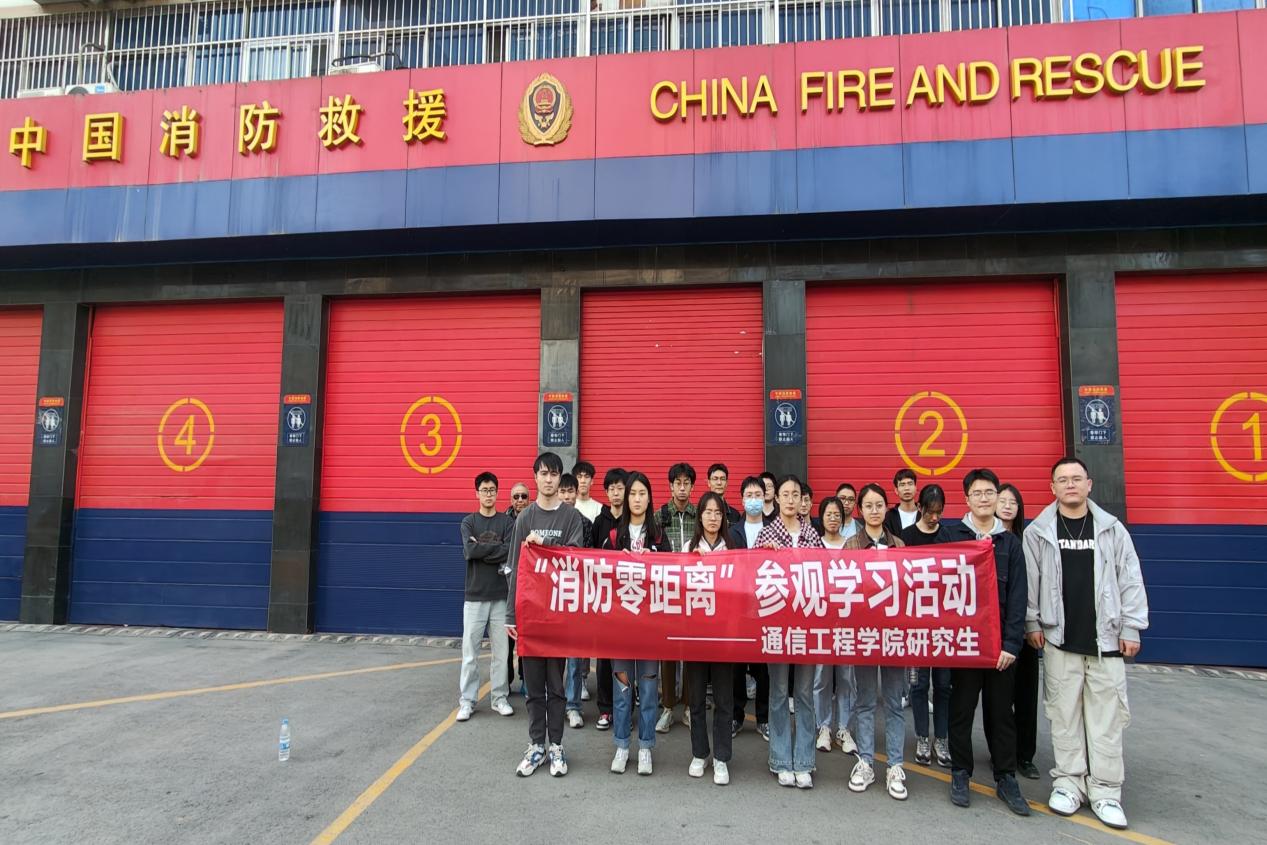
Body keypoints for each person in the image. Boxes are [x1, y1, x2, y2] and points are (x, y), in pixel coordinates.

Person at [1024, 457, 1149, 831]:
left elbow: (1130, 578)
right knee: (1064, 716)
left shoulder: (1111, 529)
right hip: (1060, 639)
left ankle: (1106, 791)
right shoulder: (1039, 531)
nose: (1070, 485)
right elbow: (1032, 580)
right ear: (1052, 488)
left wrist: (1131, 627)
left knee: (1106, 719)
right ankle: (1068, 783)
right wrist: (1032, 621)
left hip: (1105, 640)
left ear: (1089, 484)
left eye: (1076, 478)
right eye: (1062, 480)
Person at [937, 468, 1030, 816]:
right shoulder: (951, 536)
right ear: (967, 498)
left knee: (1001, 713)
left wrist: (1011, 644)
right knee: (961, 711)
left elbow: (1018, 597)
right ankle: (960, 773)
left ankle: (1006, 777)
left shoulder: (1010, 543)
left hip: (999, 648)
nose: (984, 498)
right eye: (977, 493)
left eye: (990, 492)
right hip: (963, 644)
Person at [504, 452, 586, 778]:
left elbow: (576, 559)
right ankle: (536, 745)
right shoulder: (524, 518)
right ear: (535, 477)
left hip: (558, 617)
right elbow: (514, 568)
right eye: (543, 474)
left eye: (554, 474)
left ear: (559, 478)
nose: (548, 479)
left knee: (557, 687)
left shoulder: (570, 517)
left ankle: (557, 746)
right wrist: (511, 615)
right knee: (534, 688)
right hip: (530, 616)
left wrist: (546, 546)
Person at [755, 474, 823, 789]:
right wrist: (763, 554)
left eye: (797, 494)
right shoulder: (766, 534)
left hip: (808, 626)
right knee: (780, 692)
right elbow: (752, 579)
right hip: (777, 627)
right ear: (777, 499)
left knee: (805, 694)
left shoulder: (813, 536)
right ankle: (781, 759)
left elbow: (824, 578)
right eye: (786, 494)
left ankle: (805, 761)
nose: (792, 499)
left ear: (803, 500)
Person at [601, 470, 672, 775]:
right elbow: (599, 573)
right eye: (633, 493)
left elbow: (672, 576)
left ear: (649, 498)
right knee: (622, 690)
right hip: (620, 627)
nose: (637, 499)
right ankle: (621, 745)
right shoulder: (614, 536)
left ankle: (645, 747)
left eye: (643, 493)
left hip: (649, 628)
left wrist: (653, 559)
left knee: (648, 689)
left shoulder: (659, 536)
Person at [842, 484, 910, 800]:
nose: (874, 510)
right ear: (860, 509)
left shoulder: (900, 545)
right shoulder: (851, 546)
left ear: (886, 508)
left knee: (894, 703)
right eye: (868, 505)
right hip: (864, 635)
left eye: (879, 505)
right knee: (866, 701)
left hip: (894, 635)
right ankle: (866, 762)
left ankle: (895, 766)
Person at [685, 492, 736, 785]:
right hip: (695, 635)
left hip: (725, 636)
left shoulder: (733, 549)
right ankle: (699, 753)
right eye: (708, 512)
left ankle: (721, 758)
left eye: (718, 513)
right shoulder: (689, 548)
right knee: (695, 699)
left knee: (724, 699)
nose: (713, 517)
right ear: (700, 516)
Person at [899, 484, 952, 768]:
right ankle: (922, 736)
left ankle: (941, 738)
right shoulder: (906, 538)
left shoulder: (949, 537)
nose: (934, 518)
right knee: (918, 685)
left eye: (939, 512)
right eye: (930, 512)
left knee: (943, 685)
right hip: (915, 623)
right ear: (919, 508)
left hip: (944, 623)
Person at [457, 472, 515, 722]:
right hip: (474, 597)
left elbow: (509, 551)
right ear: (477, 493)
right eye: (484, 490)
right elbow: (469, 551)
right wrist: (495, 549)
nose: (488, 494)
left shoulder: (507, 522)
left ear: (497, 492)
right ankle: (467, 701)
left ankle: (499, 698)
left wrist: (482, 550)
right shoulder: (468, 522)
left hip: (501, 596)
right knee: (470, 653)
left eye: (492, 490)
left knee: (501, 653)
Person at [994, 483, 1040, 780]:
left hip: (1025, 630)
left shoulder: (1029, 540)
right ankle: (1003, 756)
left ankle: (1025, 755)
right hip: (996, 632)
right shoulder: (986, 541)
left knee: (1026, 695)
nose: (1008, 506)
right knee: (1000, 700)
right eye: (1003, 500)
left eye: (1013, 502)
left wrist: (1033, 623)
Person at [813, 496, 858, 757]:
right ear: (821, 517)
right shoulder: (814, 546)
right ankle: (823, 727)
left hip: (847, 622)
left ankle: (844, 728)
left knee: (846, 677)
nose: (833, 518)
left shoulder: (852, 546)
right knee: (821, 677)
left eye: (837, 514)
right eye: (828, 514)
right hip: (821, 622)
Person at [656, 461, 697, 733]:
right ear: (671, 486)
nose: (682, 488)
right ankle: (669, 707)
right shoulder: (659, 516)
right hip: (668, 591)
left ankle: (690, 707)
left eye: (686, 483)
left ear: (692, 487)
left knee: (692, 650)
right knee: (668, 651)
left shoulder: (699, 514)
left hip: (694, 591)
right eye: (677, 483)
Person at [728, 475, 770, 740]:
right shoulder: (733, 532)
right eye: (749, 496)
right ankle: (736, 715)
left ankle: (763, 718)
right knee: (736, 667)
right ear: (742, 500)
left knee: (763, 668)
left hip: (766, 607)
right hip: (738, 608)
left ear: (765, 498)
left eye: (758, 495)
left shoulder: (774, 529)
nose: (754, 500)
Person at [589, 467, 626, 731]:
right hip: (604, 599)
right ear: (606, 492)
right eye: (611, 488)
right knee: (604, 658)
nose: (615, 492)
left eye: (620, 488)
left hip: (628, 598)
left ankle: (625, 708)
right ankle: (605, 709)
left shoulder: (633, 522)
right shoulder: (598, 522)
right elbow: (589, 557)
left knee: (626, 656)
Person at [558, 473, 594, 729]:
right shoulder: (546, 520)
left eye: (570, 491)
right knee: (551, 655)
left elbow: (589, 559)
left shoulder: (585, 523)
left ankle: (572, 706)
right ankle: (552, 702)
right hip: (549, 596)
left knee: (573, 655)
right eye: (563, 491)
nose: (567, 496)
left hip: (576, 596)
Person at [883, 468, 920, 535]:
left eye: (910, 483)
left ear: (915, 488)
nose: (907, 488)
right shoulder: (889, 516)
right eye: (902, 485)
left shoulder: (923, 514)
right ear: (896, 490)